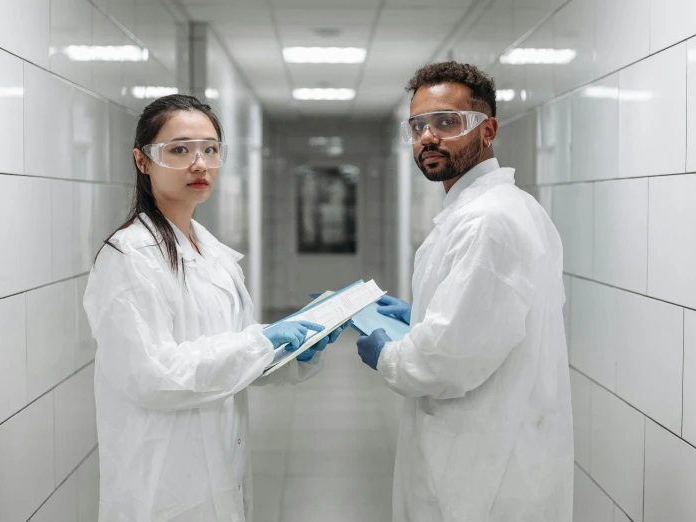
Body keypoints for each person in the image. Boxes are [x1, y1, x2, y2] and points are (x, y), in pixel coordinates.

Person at [83, 94, 350, 522]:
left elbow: (236, 350)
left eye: (210, 149)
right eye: (180, 150)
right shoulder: (129, 256)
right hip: (163, 478)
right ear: (142, 160)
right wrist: (258, 344)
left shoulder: (211, 252)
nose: (200, 163)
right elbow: (151, 375)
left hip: (220, 458)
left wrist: (296, 348)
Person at [356, 62, 573, 521]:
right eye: (418, 125)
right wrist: (420, 317)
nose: (428, 137)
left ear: (488, 130)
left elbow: (445, 362)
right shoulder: (508, 209)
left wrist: (388, 355)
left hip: (481, 473)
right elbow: (490, 320)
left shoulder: (486, 221)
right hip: (494, 448)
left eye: (446, 122)